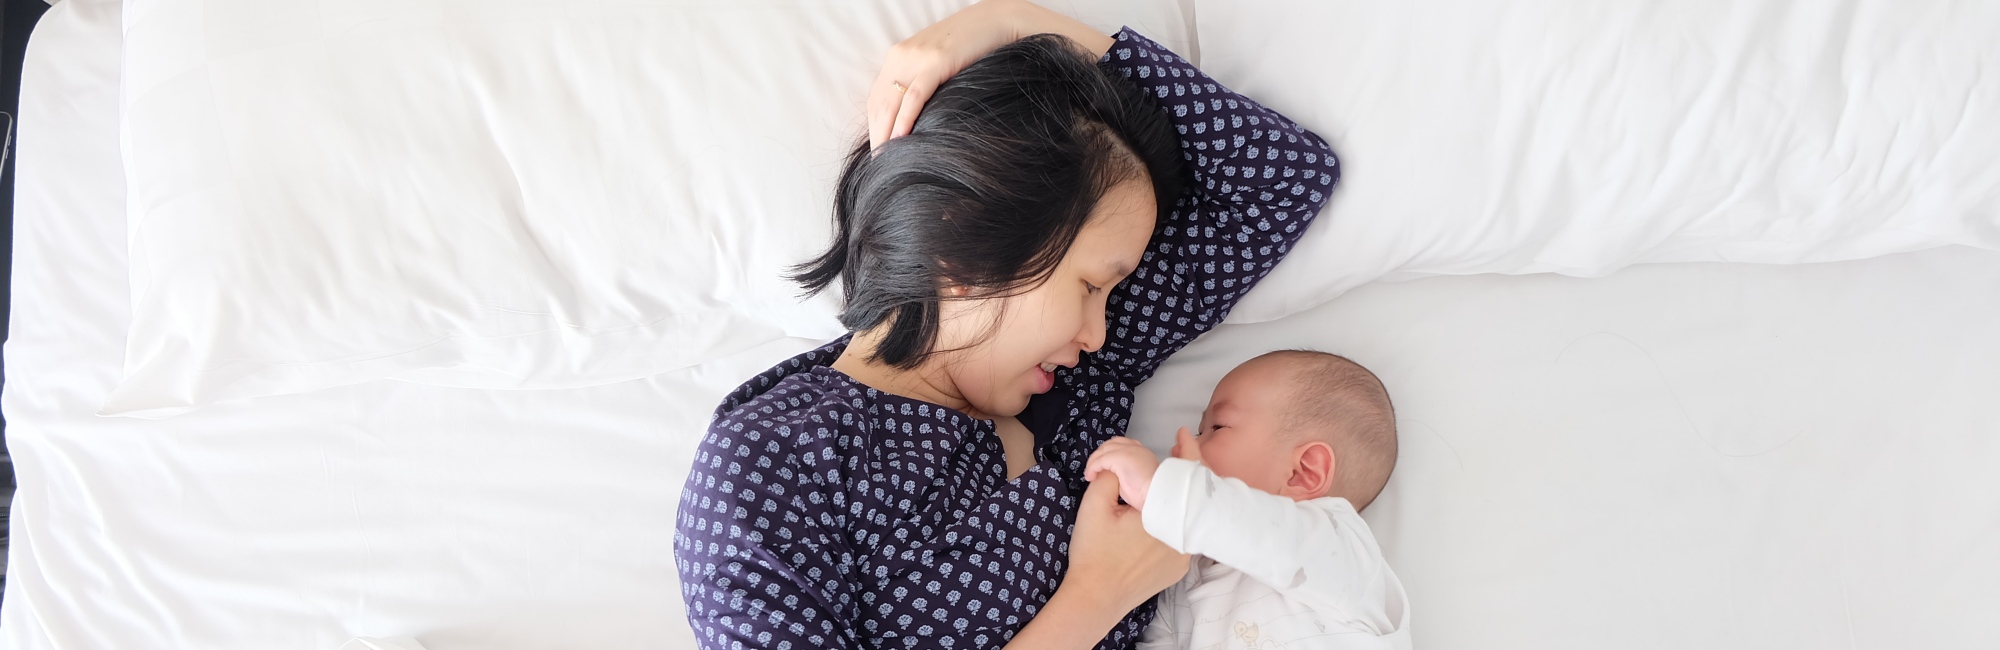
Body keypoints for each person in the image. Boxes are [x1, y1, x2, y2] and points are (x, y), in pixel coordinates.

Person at [672, 0, 1341, 647]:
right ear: (961, 241)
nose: (1098, 331)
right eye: (1088, 285)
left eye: (1110, 292)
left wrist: (1014, 23)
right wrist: (1096, 597)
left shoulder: (1076, 390)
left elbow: (1279, 180)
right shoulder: (775, 460)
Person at [1086, 350, 1412, 649]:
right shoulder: (1186, 574)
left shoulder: (1339, 549)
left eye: (1217, 427)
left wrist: (1162, 490)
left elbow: (1255, 530)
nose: (1186, 444)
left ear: (1303, 473)